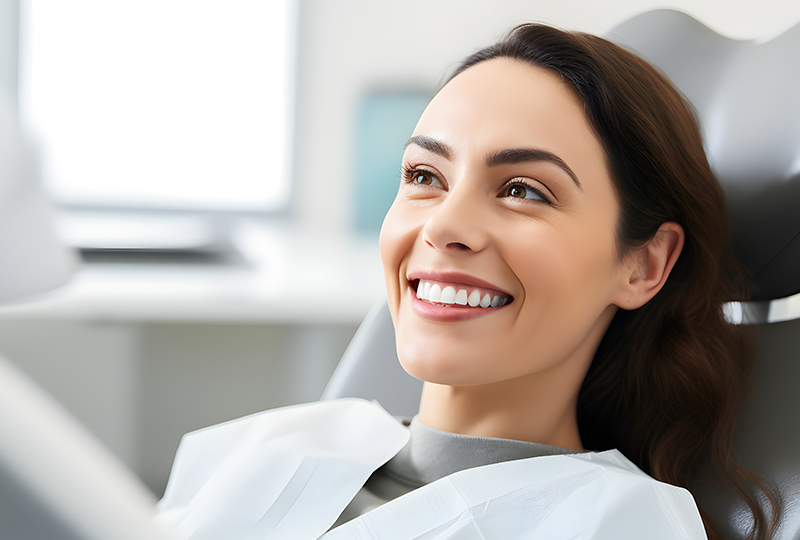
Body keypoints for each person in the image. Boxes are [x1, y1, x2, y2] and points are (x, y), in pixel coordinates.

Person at [157, 24, 779, 540]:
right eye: (425, 175)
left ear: (642, 264)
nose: (445, 225)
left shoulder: (615, 524)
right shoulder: (284, 443)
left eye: (523, 190)